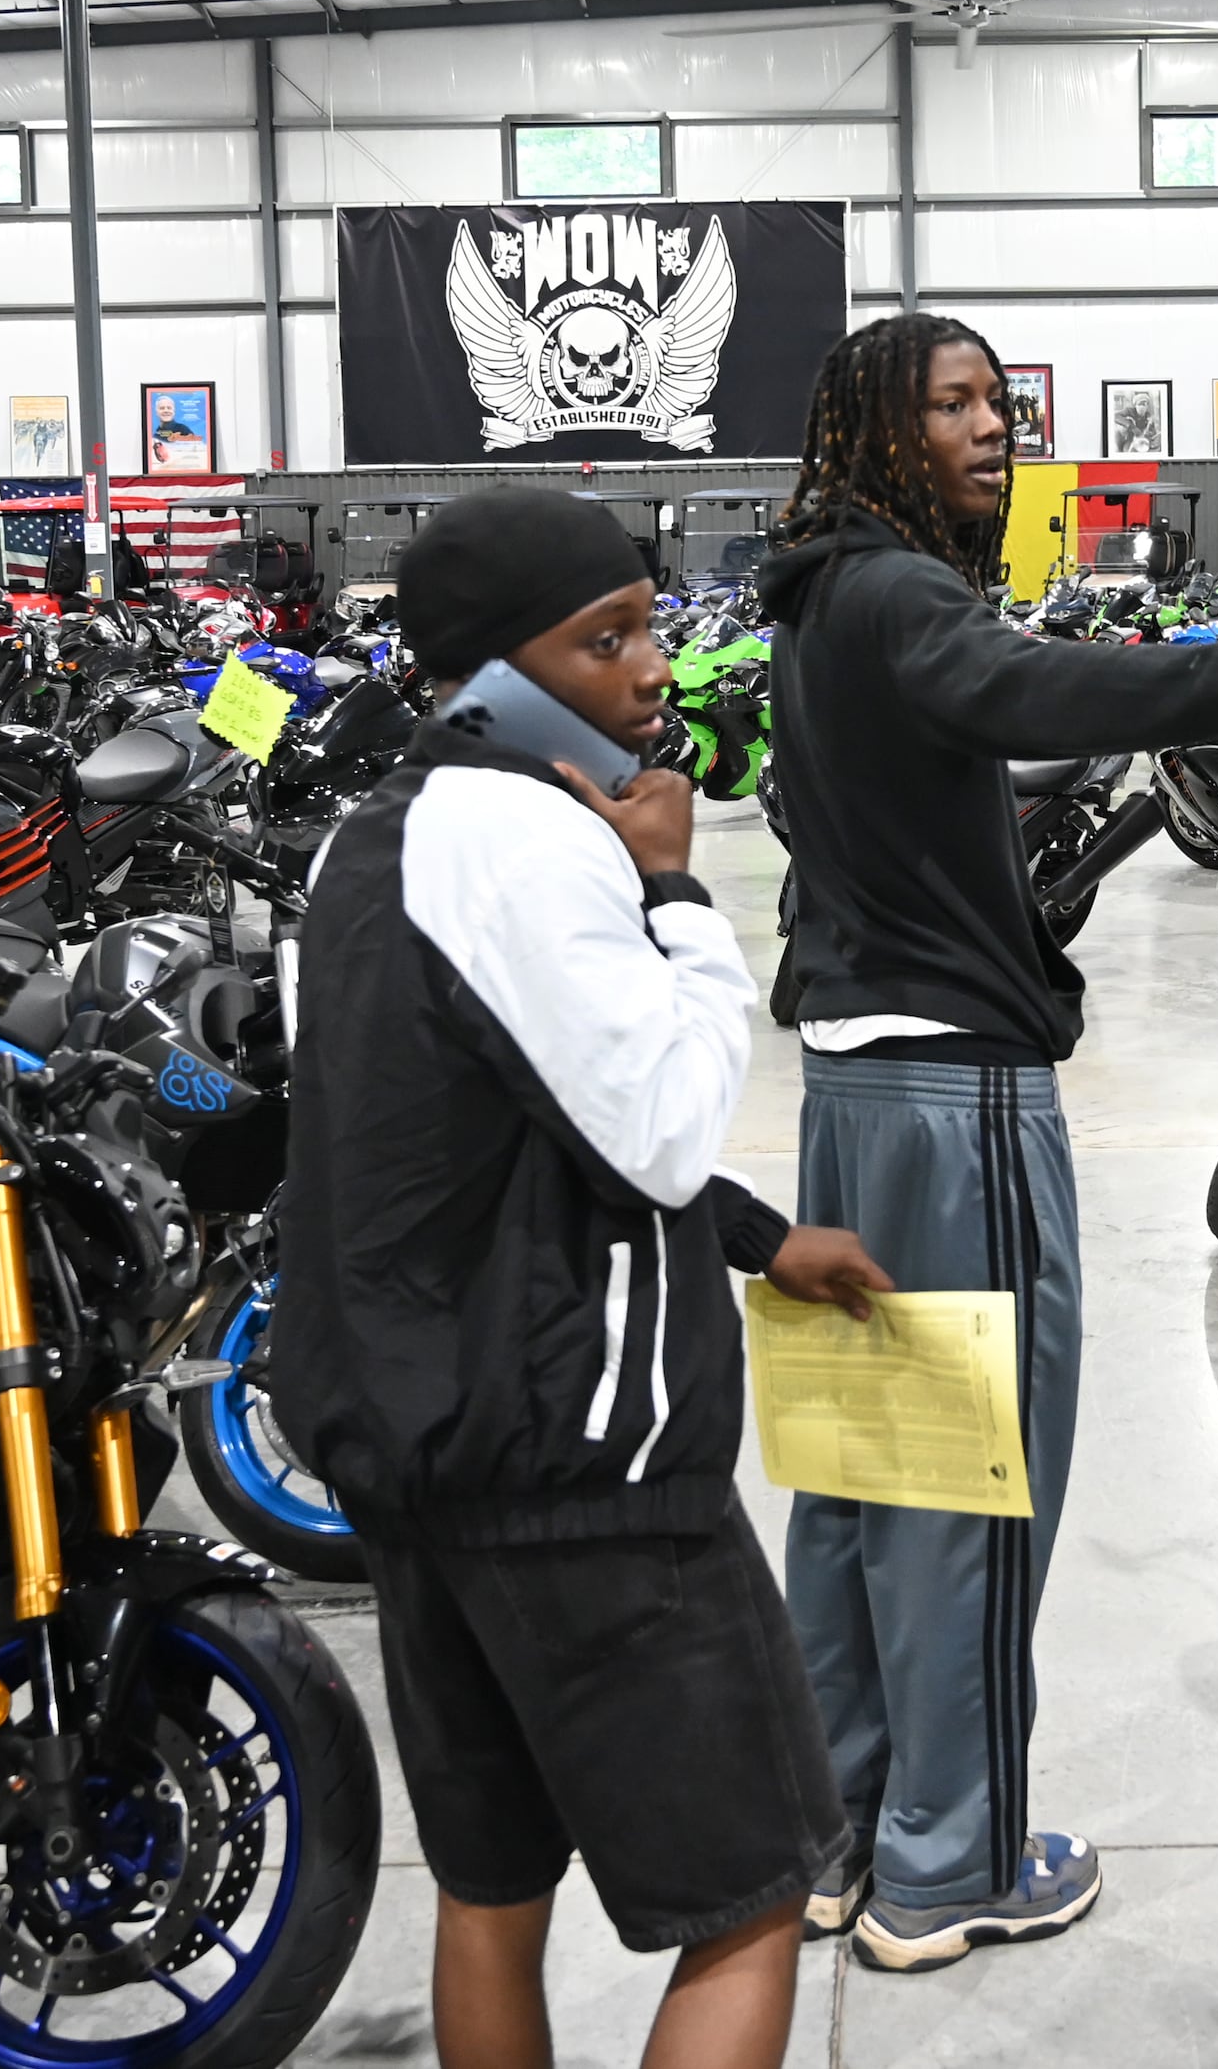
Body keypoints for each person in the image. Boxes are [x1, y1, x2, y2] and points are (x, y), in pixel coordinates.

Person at [760, 312, 1218, 1971]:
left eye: (1001, 400)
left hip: (852, 1093)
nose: (990, 428)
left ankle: (837, 1833)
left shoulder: (815, 593)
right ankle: (949, 1864)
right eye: (951, 404)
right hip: (955, 1113)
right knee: (968, 1502)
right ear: (876, 428)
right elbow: (1022, 682)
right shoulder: (904, 596)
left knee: (858, 1486)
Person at [277, 487, 893, 2069]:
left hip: (426, 1455)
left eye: (647, 621)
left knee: (493, 1889)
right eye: (601, 638)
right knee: (753, 1899)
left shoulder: (374, 840)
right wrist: (680, 896)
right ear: (494, 671)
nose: (649, 670)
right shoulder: (535, 834)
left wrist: (765, 1242)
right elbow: (663, 1124)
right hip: (587, 1469)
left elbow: (505, 1111)